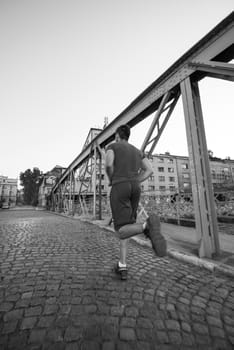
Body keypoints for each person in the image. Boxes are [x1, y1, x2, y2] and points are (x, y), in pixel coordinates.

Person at [105, 124, 167, 280]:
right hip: (135, 188)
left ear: (118, 136)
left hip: (120, 187)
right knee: (128, 227)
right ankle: (122, 265)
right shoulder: (137, 151)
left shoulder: (112, 146)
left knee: (120, 231)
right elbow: (149, 170)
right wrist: (135, 180)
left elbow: (108, 164)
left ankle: (147, 226)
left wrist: (112, 178)